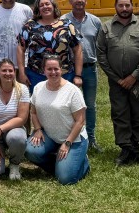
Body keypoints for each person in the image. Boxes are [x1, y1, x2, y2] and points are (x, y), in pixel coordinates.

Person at [97, 0, 139, 166]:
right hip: (117, 83)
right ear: (115, 7)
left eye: (127, 5)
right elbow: (101, 54)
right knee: (120, 114)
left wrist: (134, 76)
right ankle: (125, 148)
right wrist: (117, 78)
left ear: (132, 6)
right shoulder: (106, 27)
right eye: (121, 5)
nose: (124, 9)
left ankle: (136, 147)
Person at [25, 55, 90, 185]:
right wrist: (37, 129)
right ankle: (60, 164)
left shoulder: (73, 91)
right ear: (43, 70)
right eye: (49, 69)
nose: (53, 72)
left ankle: (84, 165)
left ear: (62, 70)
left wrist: (67, 143)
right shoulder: (38, 88)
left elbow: (80, 121)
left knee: (65, 179)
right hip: (49, 136)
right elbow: (33, 111)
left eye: (56, 69)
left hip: (74, 139)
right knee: (30, 151)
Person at [61, 0, 105, 152]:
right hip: (69, 70)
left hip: (90, 69)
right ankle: (69, 137)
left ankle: (91, 138)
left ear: (86, 1)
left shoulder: (95, 21)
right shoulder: (64, 21)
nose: (79, 1)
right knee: (68, 105)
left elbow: (100, 46)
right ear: (70, 1)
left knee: (90, 105)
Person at [19, 0, 83, 91]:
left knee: (63, 104)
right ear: (38, 9)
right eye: (41, 5)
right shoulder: (29, 26)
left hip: (64, 75)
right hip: (36, 75)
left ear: (53, 6)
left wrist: (78, 75)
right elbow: (20, 49)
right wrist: (22, 73)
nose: (45, 7)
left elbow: (78, 49)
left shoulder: (66, 25)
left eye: (47, 4)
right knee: (38, 104)